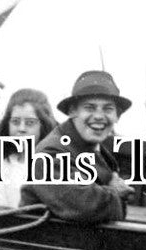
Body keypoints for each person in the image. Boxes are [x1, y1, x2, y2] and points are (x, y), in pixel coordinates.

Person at [20, 71, 134, 224]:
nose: (99, 116)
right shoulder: (50, 152)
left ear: (117, 116)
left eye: (108, 109)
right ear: (72, 111)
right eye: (90, 108)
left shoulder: (97, 151)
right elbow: (84, 205)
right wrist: (116, 193)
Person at [0, 89, 58, 208]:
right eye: (15, 122)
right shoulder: (6, 163)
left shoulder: (52, 163)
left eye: (30, 123)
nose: (21, 128)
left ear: (43, 126)